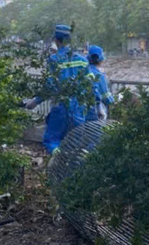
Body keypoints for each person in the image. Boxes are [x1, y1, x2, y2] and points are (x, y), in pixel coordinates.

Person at [26, 24, 89, 154]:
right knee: (76, 142)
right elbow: (90, 86)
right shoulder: (83, 60)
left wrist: (35, 102)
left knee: (52, 140)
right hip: (79, 107)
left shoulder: (54, 59)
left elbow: (50, 86)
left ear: (56, 39)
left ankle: (57, 163)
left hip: (61, 106)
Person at [86, 45, 115, 120]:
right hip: (97, 112)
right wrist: (114, 102)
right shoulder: (99, 75)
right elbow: (105, 96)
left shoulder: (84, 71)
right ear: (100, 59)